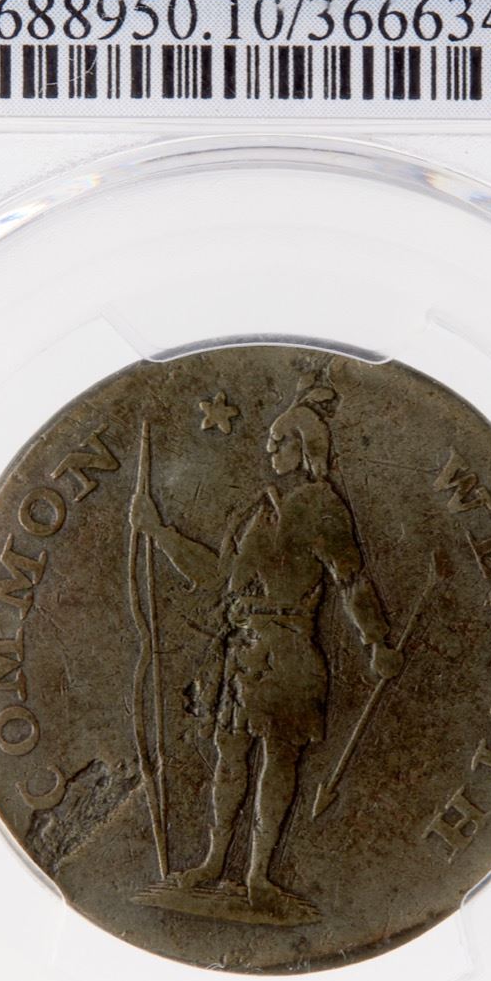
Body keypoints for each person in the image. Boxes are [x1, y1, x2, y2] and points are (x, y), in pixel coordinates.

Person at [130, 378, 403, 914]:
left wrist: (376, 641)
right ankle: (214, 862)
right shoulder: (258, 509)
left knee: (278, 759)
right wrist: (159, 532)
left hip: (289, 652)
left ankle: (258, 875)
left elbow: (351, 580)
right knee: (229, 757)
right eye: (270, 441)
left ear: (305, 447)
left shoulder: (322, 505)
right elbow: (218, 578)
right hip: (242, 651)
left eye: (280, 441)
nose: (269, 449)